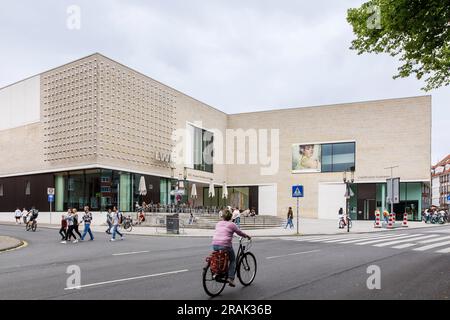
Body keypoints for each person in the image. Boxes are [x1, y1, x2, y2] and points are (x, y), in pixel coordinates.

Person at [212, 209, 251, 287]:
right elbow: (239, 232)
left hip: (215, 244)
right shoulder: (232, 225)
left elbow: (222, 232)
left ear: (222, 216)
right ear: (230, 217)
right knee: (233, 260)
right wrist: (246, 236)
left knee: (220, 257)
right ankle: (230, 278)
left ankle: (217, 272)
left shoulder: (218, 223)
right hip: (225, 245)